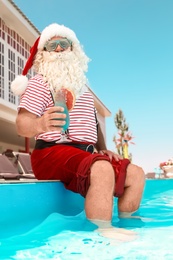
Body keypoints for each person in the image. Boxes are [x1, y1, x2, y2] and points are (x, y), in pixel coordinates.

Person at [11, 23, 145, 240]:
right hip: (51, 152)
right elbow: (21, 123)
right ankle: (102, 232)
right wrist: (41, 124)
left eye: (63, 44)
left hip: (86, 155)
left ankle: (129, 222)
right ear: (43, 54)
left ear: (74, 50)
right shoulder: (39, 83)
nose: (58, 50)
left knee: (136, 175)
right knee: (101, 169)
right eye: (51, 46)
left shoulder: (82, 88)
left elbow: (94, 123)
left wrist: (103, 149)